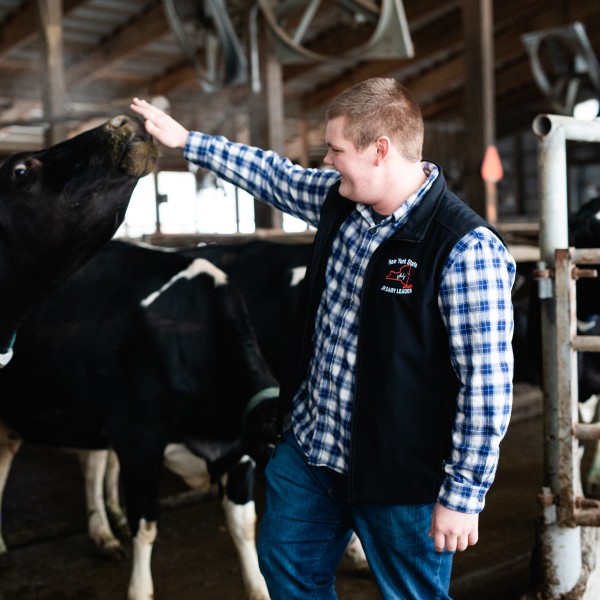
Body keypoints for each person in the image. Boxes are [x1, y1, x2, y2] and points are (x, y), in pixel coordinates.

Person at [131, 77, 515, 600]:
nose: (328, 162)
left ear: (380, 150)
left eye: (336, 150)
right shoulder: (340, 201)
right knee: (285, 566)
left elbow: (487, 385)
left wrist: (465, 494)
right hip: (312, 449)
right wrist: (189, 142)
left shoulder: (464, 248)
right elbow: (272, 174)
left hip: (402, 475)